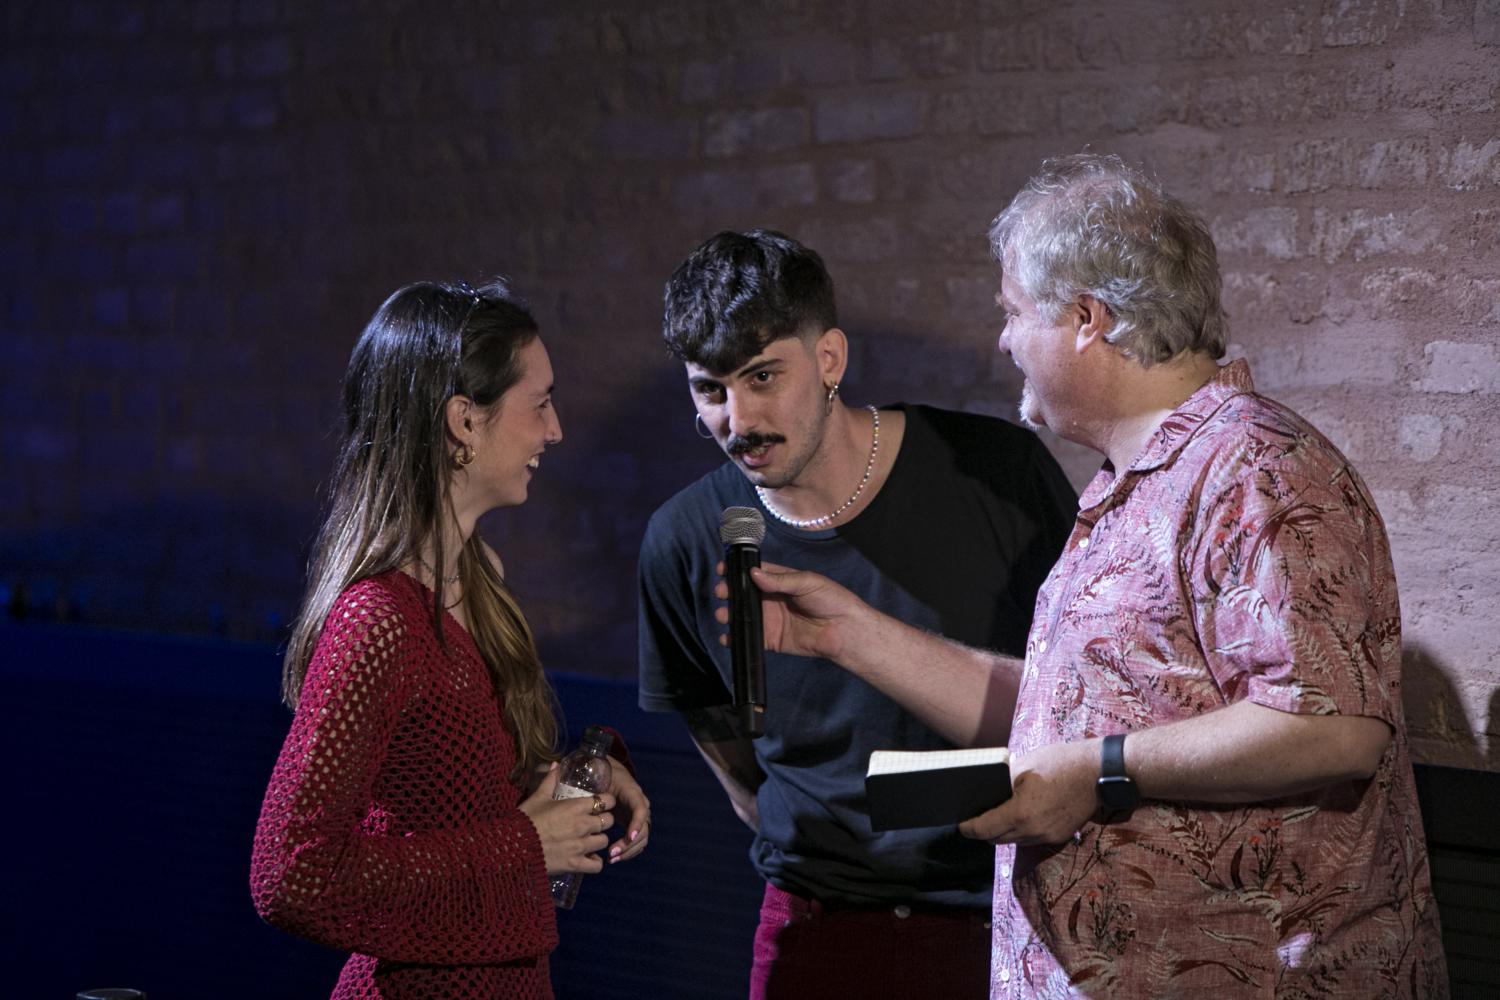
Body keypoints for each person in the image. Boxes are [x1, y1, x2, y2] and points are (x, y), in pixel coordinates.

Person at [727, 156, 1448, 998]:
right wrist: (847, 635)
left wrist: (1097, 769)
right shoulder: (1135, 483)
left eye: (1013, 313)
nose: (1004, 340)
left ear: (1085, 318)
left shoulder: (1260, 469)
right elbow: (1071, 712)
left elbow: (1333, 730)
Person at [637, 230, 1077, 998]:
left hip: (1000, 912)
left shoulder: (995, 472)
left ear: (829, 359)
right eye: (711, 390)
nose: (739, 420)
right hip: (815, 924)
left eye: (763, 377)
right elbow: (731, 759)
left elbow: (1092, 696)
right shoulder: (683, 539)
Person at [250, 280, 651, 1000]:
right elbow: (290, 874)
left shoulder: (478, 576)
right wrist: (525, 846)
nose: (555, 431)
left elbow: (457, 794)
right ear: (465, 421)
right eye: (540, 404)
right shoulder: (376, 621)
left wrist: (577, 775)